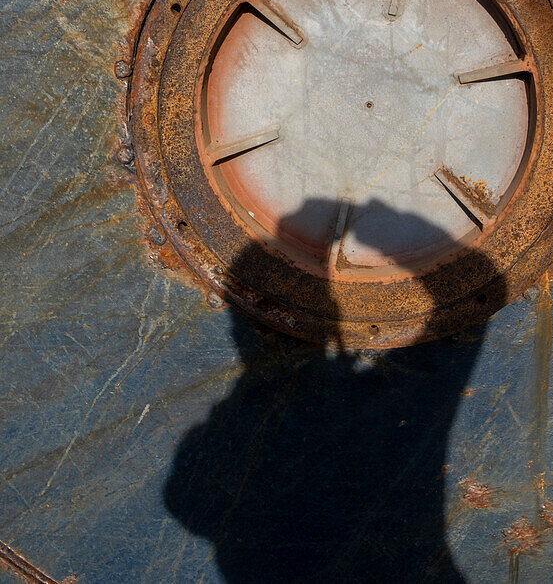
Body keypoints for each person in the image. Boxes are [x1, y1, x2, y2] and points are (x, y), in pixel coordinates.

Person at [164, 201, 503, 583]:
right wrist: (387, 225)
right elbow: (475, 284)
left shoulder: (247, 553)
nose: (218, 406)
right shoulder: (383, 431)